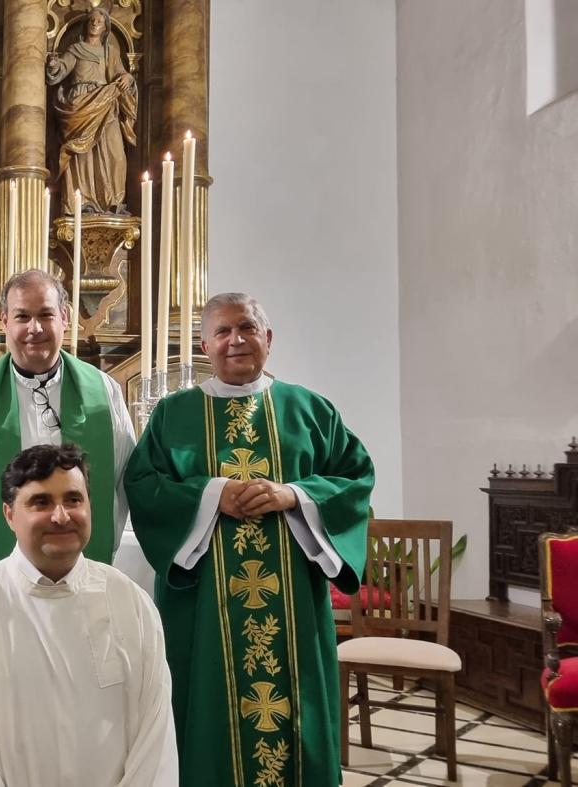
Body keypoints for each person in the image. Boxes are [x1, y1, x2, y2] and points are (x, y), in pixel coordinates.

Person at [125, 292, 374, 786]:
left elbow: (356, 478)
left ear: (268, 338)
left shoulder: (309, 409)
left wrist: (295, 496)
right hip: (205, 604)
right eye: (222, 332)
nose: (235, 340)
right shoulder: (174, 414)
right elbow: (144, 486)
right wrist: (213, 494)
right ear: (204, 345)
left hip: (294, 601)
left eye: (247, 328)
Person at [0, 443, 177, 786]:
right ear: (9, 515)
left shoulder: (130, 601)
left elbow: (155, 740)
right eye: (40, 502)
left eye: (73, 499)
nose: (61, 516)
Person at [0, 269, 137, 570]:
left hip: (84, 573)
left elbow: (127, 479)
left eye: (46, 315)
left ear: (65, 317)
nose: (35, 328)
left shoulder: (103, 392)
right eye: (22, 317)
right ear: (5, 321)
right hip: (3, 577)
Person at [46, 6, 138, 215]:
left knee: (116, 153)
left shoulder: (110, 52)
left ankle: (113, 201)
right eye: (92, 21)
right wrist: (54, 65)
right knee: (82, 153)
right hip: (80, 105)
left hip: (106, 104)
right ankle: (82, 200)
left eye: (99, 21)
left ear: (106, 27)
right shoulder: (76, 49)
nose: (95, 24)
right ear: (86, 25)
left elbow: (123, 74)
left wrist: (127, 78)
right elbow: (62, 68)